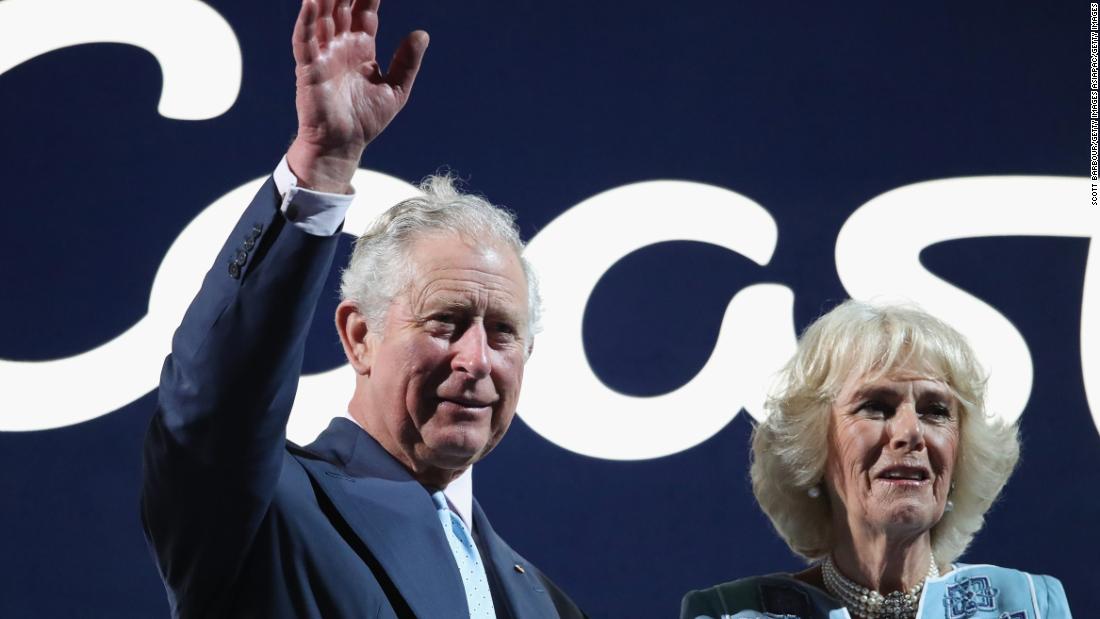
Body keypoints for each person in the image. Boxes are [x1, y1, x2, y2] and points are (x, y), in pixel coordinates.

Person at [141, 1, 585, 617]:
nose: (476, 359)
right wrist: (321, 167)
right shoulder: (268, 511)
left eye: (503, 332)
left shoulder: (545, 601)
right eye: (445, 322)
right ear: (358, 336)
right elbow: (212, 406)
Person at [681, 301, 1072, 619]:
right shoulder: (728, 614)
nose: (911, 432)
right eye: (875, 406)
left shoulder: (1031, 605)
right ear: (814, 445)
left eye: (935, 410)